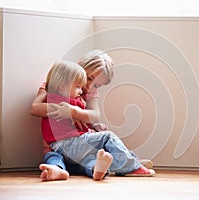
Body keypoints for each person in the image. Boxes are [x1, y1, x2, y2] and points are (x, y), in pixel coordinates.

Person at [30, 50, 154, 181]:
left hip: (71, 150)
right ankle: (131, 165)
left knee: (91, 160)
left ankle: (97, 170)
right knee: (107, 138)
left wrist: (84, 120)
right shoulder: (57, 89)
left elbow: (94, 116)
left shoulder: (80, 95)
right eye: (88, 79)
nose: (87, 86)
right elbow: (35, 108)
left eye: (96, 85)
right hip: (62, 147)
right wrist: (69, 110)